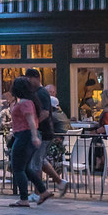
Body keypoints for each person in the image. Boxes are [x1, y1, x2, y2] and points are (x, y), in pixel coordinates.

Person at [8, 76, 52, 207]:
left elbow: (31, 120)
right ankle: (43, 191)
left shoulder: (25, 103)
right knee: (26, 168)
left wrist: (34, 136)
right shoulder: (27, 101)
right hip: (25, 135)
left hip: (24, 136)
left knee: (17, 167)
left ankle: (23, 198)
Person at [25, 69, 69, 197]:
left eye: (29, 79)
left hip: (42, 132)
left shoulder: (41, 93)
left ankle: (38, 193)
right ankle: (60, 182)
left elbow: (45, 112)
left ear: (35, 78)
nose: (28, 82)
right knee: (41, 161)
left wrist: (33, 124)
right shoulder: (39, 92)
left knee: (36, 162)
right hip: (45, 131)